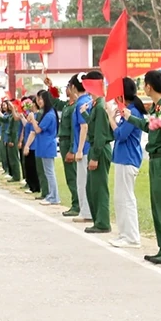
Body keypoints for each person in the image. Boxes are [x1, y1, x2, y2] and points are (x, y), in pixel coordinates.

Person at [123, 70, 161, 266]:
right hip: (157, 159)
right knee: (158, 205)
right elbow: (149, 125)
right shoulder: (158, 107)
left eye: (145, 83)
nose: (143, 86)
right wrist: (129, 117)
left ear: (149, 86)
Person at [106, 78, 144, 249]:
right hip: (122, 158)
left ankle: (132, 237)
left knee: (127, 198)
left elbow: (121, 135)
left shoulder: (133, 112)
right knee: (120, 198)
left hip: (129, 159)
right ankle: (124, 234)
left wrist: (110, 118)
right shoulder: (128, 111)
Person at [46, 77, 79, 217]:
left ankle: (77, 204)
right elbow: (55, 102)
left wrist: (72, 149)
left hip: (69, 142)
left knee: (73, 176)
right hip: (64, 141)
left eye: (67, 87)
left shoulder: (74, 107)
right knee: (69, 175)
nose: (65, 90)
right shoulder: (67, 105)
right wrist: (50, 87)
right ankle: (75, 203)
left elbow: (74, 131)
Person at [70, 72, 100, 223]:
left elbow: (84, 127)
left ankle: (86, 211)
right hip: (88, 146)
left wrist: (80, 149)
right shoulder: (88, 100)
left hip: (85, 147)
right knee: (85, 181)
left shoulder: (82, 103)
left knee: (82, 182)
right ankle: (87, 210)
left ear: (74, 87)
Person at [84, 86, 114, 234]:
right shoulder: (96, 105)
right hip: (95, 147)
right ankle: (98, 221)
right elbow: (92, 126)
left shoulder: (101, 106)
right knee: (91, 188)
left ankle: (102, 222)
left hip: (99, 149)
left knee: (99, 188)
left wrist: (95, 156)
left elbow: (101, 133)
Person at [29, 90, 59, 206]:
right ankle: (52, 195)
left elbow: (37, 129)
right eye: (37, 99)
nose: (38, 102)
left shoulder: (49, 114)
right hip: (44, 146)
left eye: (40, 99)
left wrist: (32, 119)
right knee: (48, 172)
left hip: (47, 146)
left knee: (50, 172)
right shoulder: (47, 114)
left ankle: (54, 197)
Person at [20, 98, 40, 195]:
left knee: (32, 166)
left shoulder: (36, 116)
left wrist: (27, 146)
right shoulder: (30, 115)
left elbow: (34, 131)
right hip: (28, 142)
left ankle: (35, 187)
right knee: (28, 166)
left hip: (33, 144)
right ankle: (31, 185)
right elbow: (27, 126)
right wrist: (22, 117)